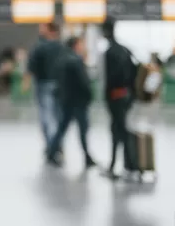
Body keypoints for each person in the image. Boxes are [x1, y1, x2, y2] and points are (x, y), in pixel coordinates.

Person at [46, 36, 97, 169]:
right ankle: (87, 156)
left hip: (65, 101)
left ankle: (51, 152)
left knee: (62, 128)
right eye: (81, 44)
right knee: (83, 130)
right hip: (78, 101)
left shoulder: (60, 59)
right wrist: (89, 95)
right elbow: (83, 82)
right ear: (75, 45)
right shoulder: (76, 60)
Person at [101, 17, 137, 180]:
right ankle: (118, 164)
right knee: (119, 129)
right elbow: (134, 73)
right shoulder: (125, 50)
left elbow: (110, 78)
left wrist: (106, 97)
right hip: (126, 95)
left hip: (115, 96)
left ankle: (130, 165)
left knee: (118, 130)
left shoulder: (110, 52)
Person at [24, 22, 64, 155]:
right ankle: (57, 143)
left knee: (46, 116)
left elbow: (31, 66)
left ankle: (50, 145)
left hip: (43, 85)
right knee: (58, 116)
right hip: (59, 85)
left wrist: (26, 82)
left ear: (50, 30)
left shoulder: (39, 47)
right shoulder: (61, 48)